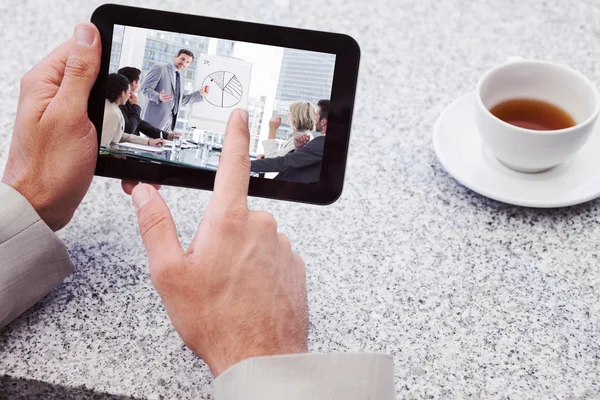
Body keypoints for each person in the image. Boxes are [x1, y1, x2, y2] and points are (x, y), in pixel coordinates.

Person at [0, 24, 394, 398]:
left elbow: (192, 110)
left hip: (160, 129)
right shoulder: (156, 71)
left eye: (189, 62)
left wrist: (198, 98)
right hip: (149, 124)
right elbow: (152, 98)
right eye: (184, 61)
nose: (185, 65)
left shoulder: (190, 83)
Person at [250, 100, 330, 184]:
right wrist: (297, 148)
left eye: (316, 114)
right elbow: (296, 162)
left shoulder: (320, 142)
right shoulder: (306, 139)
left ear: (323, 121)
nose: (287, 114)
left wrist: (247, 165)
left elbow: (283, 162)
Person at [141, 49, 210, 133]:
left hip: (170, 123)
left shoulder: (181, 76)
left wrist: (200, 93)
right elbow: (145, 89)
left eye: (188, 62)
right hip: (153, 119)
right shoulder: (160, 68)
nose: (184, 63)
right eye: (182, 59)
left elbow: (180, 100)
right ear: (176, 56)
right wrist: (158, 97)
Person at [101, 73, 165, 148]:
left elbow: (120, 135)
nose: (129, 95)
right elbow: (102, 146)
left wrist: (149, 142)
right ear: (122, 93)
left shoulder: (112, 107)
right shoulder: (113, 113)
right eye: (128, 92)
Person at [117, 66, 180, 141]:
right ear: (134, 83)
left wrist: (167, 136)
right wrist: (135, 106)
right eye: (139, 81)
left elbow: (140, 123)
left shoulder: (128, 100)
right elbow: (128, 129)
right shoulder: (119, 101)